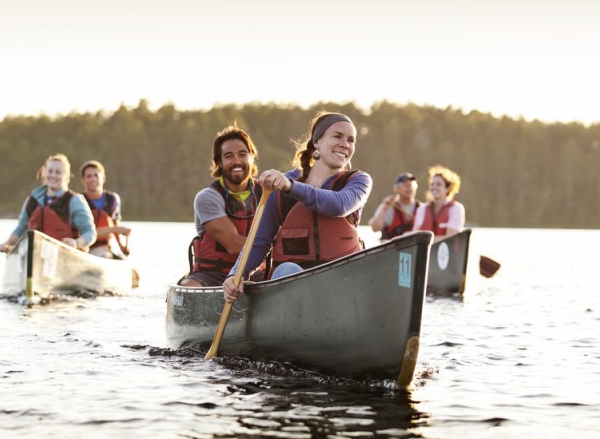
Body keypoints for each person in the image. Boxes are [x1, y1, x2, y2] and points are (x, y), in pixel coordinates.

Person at [223, 112, 372, 303]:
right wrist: (235, 275)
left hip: (341, 285)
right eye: (338, 136)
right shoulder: (280, 187)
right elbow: (259, 242)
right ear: (317, 142)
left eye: (351, 140)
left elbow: (338, 205)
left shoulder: (359, 181)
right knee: (286, 270)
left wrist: (291, 187)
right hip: (296, 290)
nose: (346, 144)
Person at [179, 124, 264, 287]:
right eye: (229, 156)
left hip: (254, 272)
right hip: (213, 275)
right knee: (189, 285)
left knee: (288, 273)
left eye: (242, 154)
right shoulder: (207, 198)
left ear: (251, 157)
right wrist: (270, 249)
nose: (236, 161)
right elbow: (233, 245)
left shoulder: (267, 194)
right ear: (219, 162)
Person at [0, 153, 96, 253]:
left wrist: (77, 243)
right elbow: (21, 228)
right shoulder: (33, 199)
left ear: (66, 176)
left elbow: (90, 232)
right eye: (50, 171)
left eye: (58, 172)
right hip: (35, 252)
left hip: (63, 254)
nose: (53, 175)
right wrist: (6, 244)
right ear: (45, 173)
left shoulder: (75, 201)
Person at [79, 160, 132, 259]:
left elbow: (115, 224)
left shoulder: (112, 199)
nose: (93, 179)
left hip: (104, 247)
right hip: (84, 246)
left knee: (116, 258)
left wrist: (121, 246)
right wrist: (115, 229)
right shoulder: (79, 200)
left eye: (96, 175)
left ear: (103, 178)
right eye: (89, 176)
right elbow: (83, 233)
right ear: (83, 180)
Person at [412, 165, 465, 237]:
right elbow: (414, 236)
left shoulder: (456, 208)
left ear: (447, 188)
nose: (434, 187)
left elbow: (450, 238)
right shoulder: (422, 209)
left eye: (438, 184)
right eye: (432, 184)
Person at [368, 172, 421, 240]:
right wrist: (384, 209)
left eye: (411, 185)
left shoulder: (421, 208)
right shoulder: (388, 207)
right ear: (396, 188)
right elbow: (375, 229)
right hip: (393, 249)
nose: (409, 188)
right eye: (406, 185)